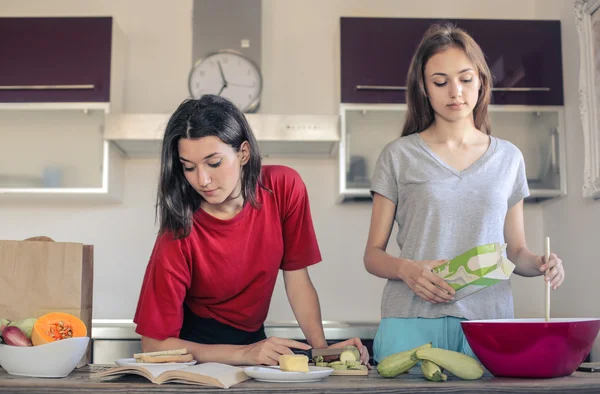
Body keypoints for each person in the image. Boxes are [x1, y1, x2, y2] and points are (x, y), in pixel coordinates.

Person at [363, 22, 566, 363]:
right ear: (425, 89)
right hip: (411, 322)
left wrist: (542, 263)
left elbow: (515, 252)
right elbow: (372, 255)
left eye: (465, 79)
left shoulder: (508, 158)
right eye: (440, 82)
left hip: (488, 323)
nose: (454, 91)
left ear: (482, 82)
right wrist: (406, 269)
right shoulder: (397, 156)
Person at [133, 94, 369, 366]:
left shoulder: (283, 187)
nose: (203, 180)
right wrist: (242, 354)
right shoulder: (178, 234)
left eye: (214, 163)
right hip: (193, 354)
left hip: (254, 343)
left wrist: (323, 352)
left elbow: (296, 278)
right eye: (189, 167)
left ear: (243, 153)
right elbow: (153, 346)